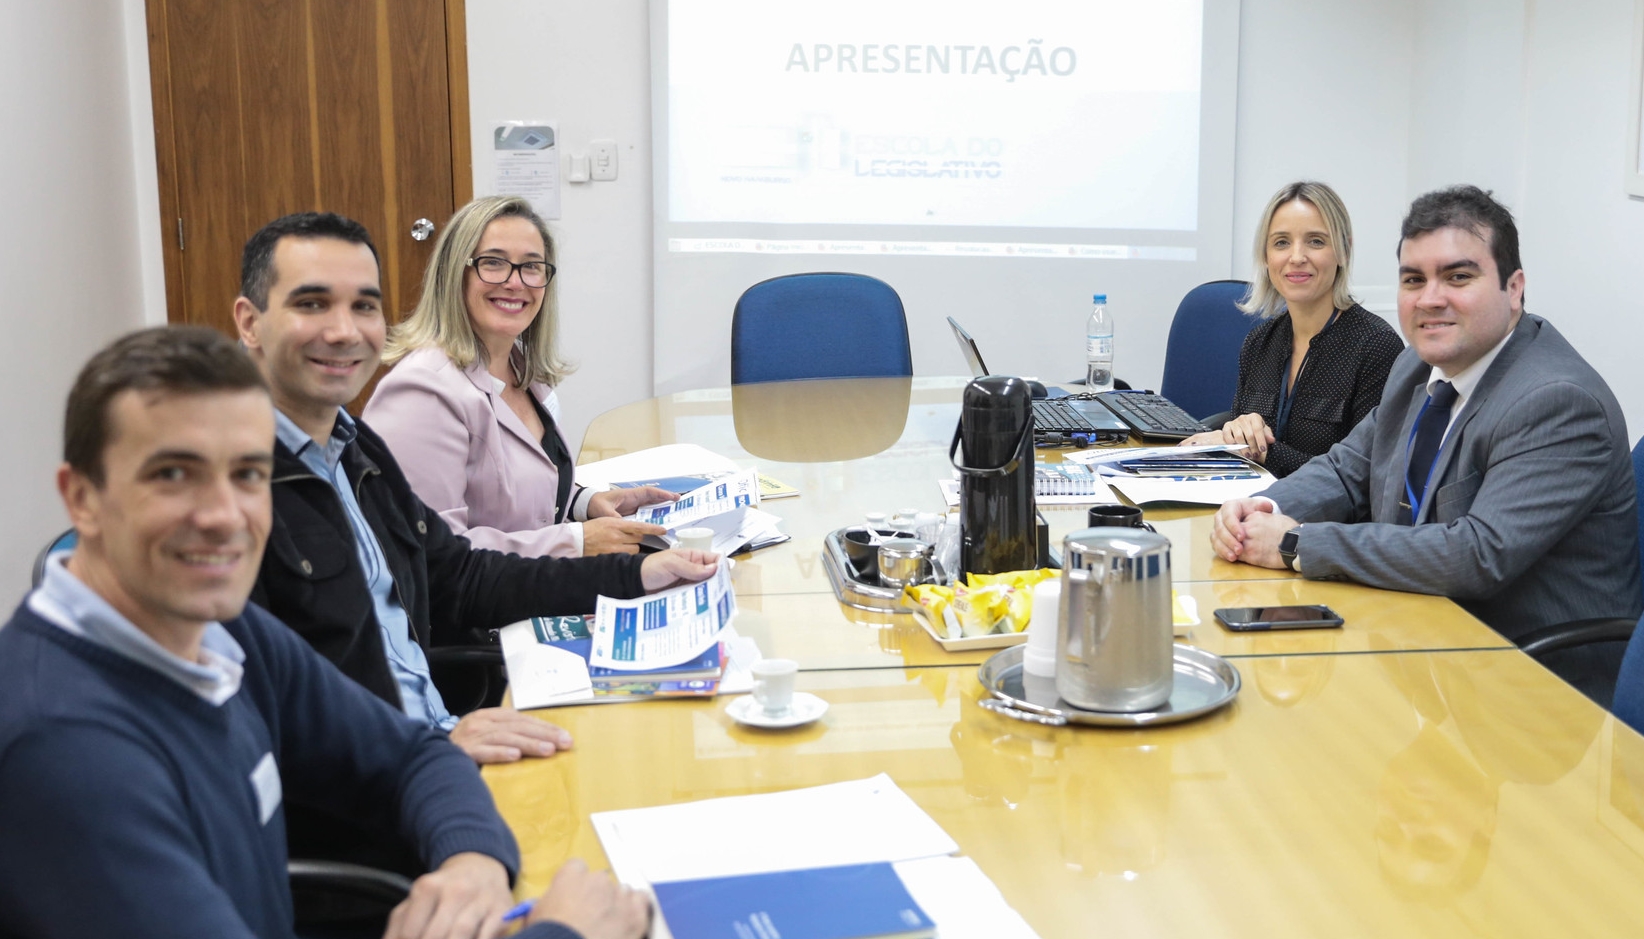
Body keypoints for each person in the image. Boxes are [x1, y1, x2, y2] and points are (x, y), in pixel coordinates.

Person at [0, 326, 647, 939]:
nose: (226, 515)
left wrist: (472, 862)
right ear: (80, 497)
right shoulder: (64, 747)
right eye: (174, 474)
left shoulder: (220, 631)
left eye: (248, 473)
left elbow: (414, 756)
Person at [230, 212, 716, 869]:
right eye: (312, 303)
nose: (344, 330)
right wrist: (429, 746)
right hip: (382, 810)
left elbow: (460, 573)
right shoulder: (231, 496)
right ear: (249, 322)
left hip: (432, 754)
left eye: (363, 305)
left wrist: (638, 577)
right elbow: (256, 725)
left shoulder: (351, 448)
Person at [1210, 185, 1642, 702]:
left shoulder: (1557, 401)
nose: (1431, 298)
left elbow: (1476, 554)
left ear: (1514, 288)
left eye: (1458, 276)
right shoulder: (1418, 365)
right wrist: (1259, 508)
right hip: (1420, 642)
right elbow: (1348, 468)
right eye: (1414, 279)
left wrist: (1295, 542)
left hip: (1528, 687)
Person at [364, 195, 672, 558]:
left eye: (531, 267)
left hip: (527, 587)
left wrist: (586, 503)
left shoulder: (518, 364)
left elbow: (512, 493)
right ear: (453, 274)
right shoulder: (421, 393)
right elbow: (430, 556)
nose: (515, 282)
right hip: (472, 612)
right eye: (493, 263)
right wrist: (576, 541)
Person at [1180, 181, 1404, 477]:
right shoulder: (1259, 342)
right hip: (1247, 509)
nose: (1296, 257)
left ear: (1343, 251)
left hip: (1322, 521)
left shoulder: (1376, 348)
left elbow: (1361, 480)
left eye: (1315, 241)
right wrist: (1235, 432)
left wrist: (1261, 450)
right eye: (1282, 242)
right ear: (1266, 256)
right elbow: (1240, 445)